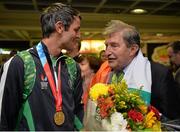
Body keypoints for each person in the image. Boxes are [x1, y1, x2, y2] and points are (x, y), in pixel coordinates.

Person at [0, 3, 83, 131]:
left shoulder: (73, 67)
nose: (79, 35)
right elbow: (4, 119)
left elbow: (77, 113)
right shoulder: (20, 63)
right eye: (76, 30)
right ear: (60, 27)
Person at [86, 20, 180, 121]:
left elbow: (172, 118)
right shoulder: (108, 74)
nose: (107, 52)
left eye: (114, 45)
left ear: (132, 49)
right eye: (106, 46)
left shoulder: (159, 74)